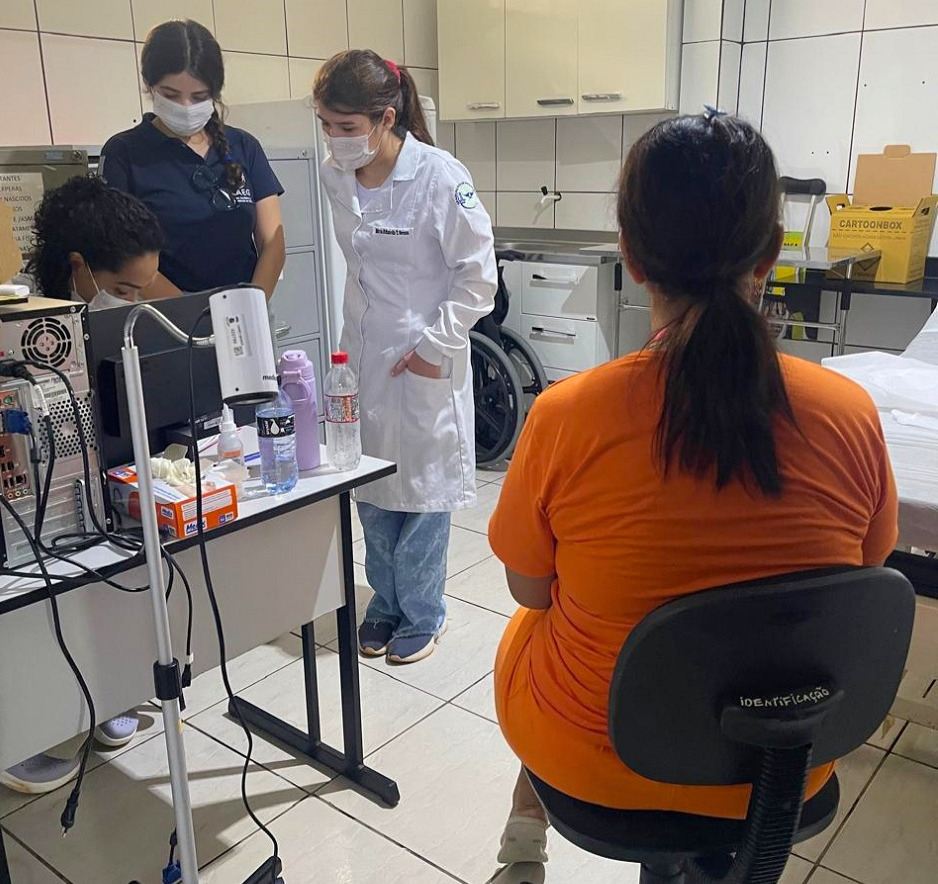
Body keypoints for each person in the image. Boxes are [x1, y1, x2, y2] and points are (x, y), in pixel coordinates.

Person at [487, 113, 898, 879]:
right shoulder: (848, 413)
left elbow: (530, 589)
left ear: (631, 255)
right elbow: (866, 571)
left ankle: (521, 839)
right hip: (779, 765)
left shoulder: (567, 416)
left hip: (597, 766)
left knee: (536, 623)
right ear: (770, 252)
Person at [314, 50, 497, 664]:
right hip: (363, 361)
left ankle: (423, 612)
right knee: (370, 487)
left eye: (346, 126)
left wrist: (433, 347)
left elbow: (479, 278)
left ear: (385, 118)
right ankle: (385, 604)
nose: (334, 139)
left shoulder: (439, 177)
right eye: (326, 125)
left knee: (422, 493)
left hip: (424, 358)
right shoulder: (335, 175)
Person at [0, 175, 164, 796]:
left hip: (90, 484)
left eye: (142, 290)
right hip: (21, 490)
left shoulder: (112, 320)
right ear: (79, 267)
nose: (132, 302)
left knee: (108, 571)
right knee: (30, 596)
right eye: (122, 288)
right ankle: (19, 732)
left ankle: (109, 689)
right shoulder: (22, 318)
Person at [100, 19, 284, 300]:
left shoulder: (243, 146)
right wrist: (192, 314)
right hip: (167, 314)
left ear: (215, 92)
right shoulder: (124, 153)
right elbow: (127, 256)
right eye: (171, 95)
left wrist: (251, 306)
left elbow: (273, 243)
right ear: (149, 85)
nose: (185, 107)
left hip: (245, 308)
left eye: (199, 96)